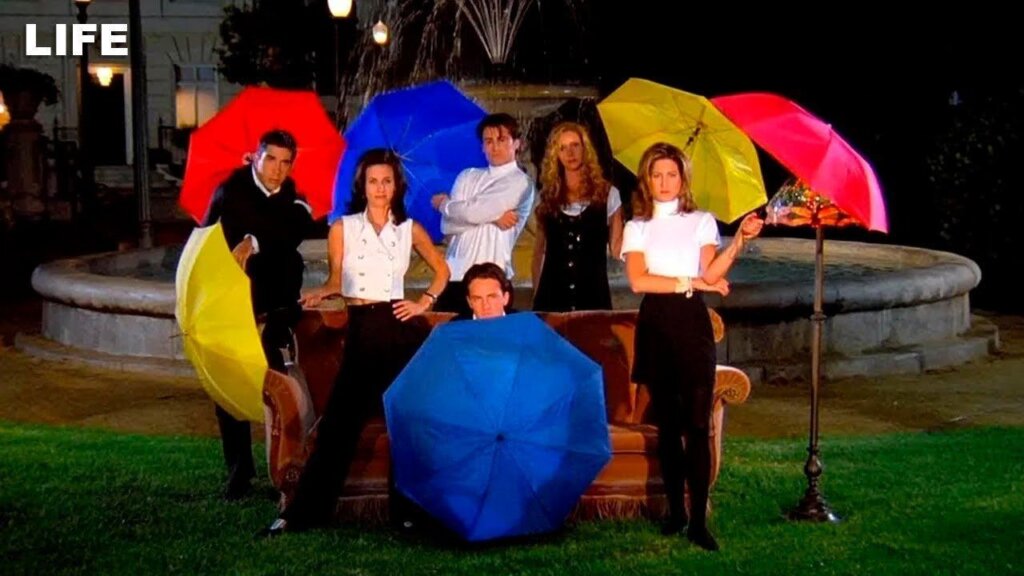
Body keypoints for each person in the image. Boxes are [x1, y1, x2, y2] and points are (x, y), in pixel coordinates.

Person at [264, 148, 450, 535]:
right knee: (338, 426)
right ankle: (300, 515)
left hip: (397, 329)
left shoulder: (409, 228)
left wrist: (424, 302)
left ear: (396, 186)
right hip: (362, 328)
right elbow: (337, 279)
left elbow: (442, 270)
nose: (380, 188)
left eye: (386, 181)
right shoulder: (342, 227)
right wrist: (322, 292)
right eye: (373, 181)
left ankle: (409, 515)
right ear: (362, 186)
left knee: (406, 421)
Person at [620, 142, 763, 551]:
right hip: (657, 324)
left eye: (672, 174)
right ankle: (675, 513)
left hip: (691, 325)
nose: (664, 182)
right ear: (647, 180)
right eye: (657, 175)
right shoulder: (637, 227)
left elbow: (711, 273)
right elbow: (639, 281)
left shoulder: (701, 221)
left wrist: (739, 242)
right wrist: (691, 282)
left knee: (698, 425)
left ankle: (698, 520)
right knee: (668, 427)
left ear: (683, 180)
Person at [202, 129, 313, 500]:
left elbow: (296, 231)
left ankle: (285, 465)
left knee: (279, 385)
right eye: (271, 159)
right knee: (229, 385)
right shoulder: (230, 191)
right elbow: (212, 237)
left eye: (285, 162)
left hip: (279, 305)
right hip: (236, 302)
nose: (277, 170)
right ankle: (239, 471)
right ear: (255, 156)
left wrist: (254, 239)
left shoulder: (293, 193)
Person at [430, 112, 535, 316]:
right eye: (488, 141)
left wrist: (445, 204)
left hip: (492, 280)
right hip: (454, 276)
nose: (495, 147)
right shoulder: (467, 176)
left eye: (501, 140)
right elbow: (447, 226)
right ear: (482, 146)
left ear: (517, 143)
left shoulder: (520, 181)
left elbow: (474, 213)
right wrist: (494, 218)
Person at [531, 121, 624, 312]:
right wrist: (536, 297)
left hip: (593, 296)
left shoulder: (608, 194)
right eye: (563, 148)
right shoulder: (547, 198)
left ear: (585, 149)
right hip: (552, 296)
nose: (570, 153)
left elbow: (617, 248)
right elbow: (539, 252)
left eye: (575, 145)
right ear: (556, 155)